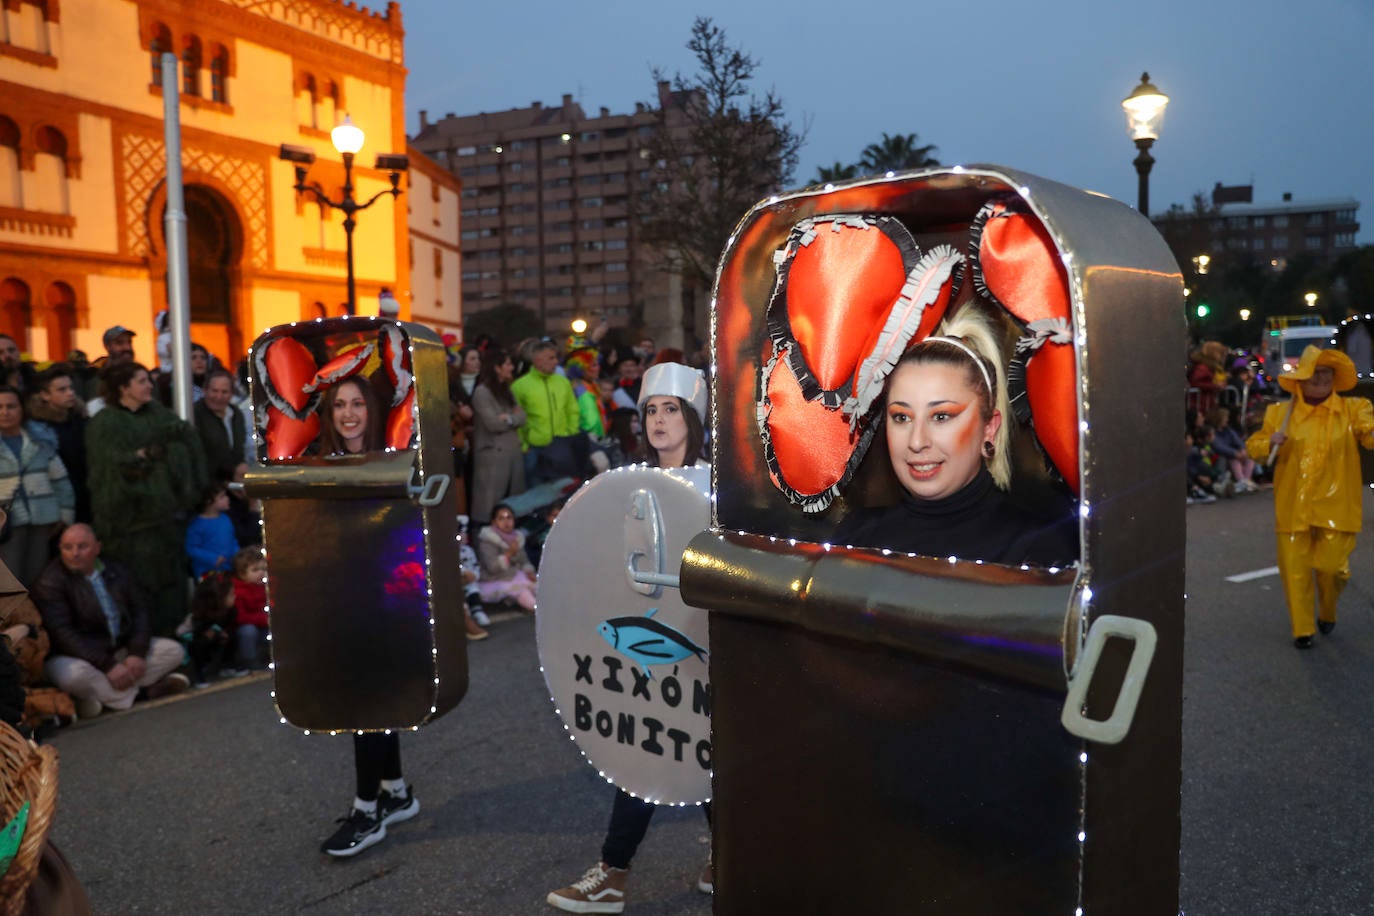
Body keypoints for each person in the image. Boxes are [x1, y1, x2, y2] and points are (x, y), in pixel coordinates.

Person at [547, 361, 713, 914]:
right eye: (651, 411)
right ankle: (614, 874)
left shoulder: (720, 485)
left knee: (710, 756)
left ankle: (725, 856)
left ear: (692, 417)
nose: (660, 420)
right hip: (646, 648)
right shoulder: (625, 487)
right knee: (644, 752)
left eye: (671, 409)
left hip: (705, 645)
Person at [834, 310, 1079, 567]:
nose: (917, 442)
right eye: (902, 417)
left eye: (941, 416)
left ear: (989, 428)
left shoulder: (1037, 551)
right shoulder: (855, 538)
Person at [314, 374, 421, 857]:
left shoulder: (394, 457)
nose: (349, 413)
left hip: (387, 595)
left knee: (367, 699)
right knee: (371, 695)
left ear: (372, 409)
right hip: (344, 594)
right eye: (339, 405)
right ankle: (395, 791)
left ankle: (367, 808)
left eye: (357, 403)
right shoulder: (316, 463)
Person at [1245, 346, 1374, 649]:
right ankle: (1302, 630)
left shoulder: (1354, 409)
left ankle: (1328, 609)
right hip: (1293, 506)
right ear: (1301, 377)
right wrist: (1268, 442)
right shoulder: (1280, 413)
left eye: (1326, 372)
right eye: (1314, 372)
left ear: (1334, 377)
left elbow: (1369, 433)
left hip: (1337, 504)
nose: (1320, 378)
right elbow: (1254, 447)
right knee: (1295, 569)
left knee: (1332, 568)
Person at [86, 361, 207, 636]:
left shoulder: (160, 415)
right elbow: (107, 469)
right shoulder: (105, 424)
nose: (149, 386)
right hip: (130, 527)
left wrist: (157, 457)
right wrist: (140, 458)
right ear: (123, 387)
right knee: (138, 589)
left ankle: (174, 644)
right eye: (141, 381)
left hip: (166, 520)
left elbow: (185, 441)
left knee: (171, 587)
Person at [32, 523, 189, 719]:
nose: (75, 553)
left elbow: (140, 611)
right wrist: (107, 666)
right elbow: (62, 634)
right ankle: (142, 694)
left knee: (173, 651)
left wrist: (137, 653)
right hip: (79, 658)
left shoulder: (116, 570)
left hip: (118, 651)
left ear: (97, 547)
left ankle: (100, 700)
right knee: (72, 676)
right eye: (67, 547)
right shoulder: (50, 582)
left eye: (82, 546)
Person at [0, 386, 75, 587]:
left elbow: (61, 482)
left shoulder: (41, 441)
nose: (5, 412)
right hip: (7, 525)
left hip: (43, 521)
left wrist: (65, 516)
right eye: (0, 407)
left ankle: (38, 618)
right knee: (10, 582)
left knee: (40, 579)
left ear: (22, 409)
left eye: (11, 406)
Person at [26, 363, 92, 523]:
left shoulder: (82, 420)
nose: (70, 393)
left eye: (71, 388)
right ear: (45, 395)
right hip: (58, 501)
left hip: (88, 496)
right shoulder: (38, 429)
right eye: (62, 390)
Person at [511, 340, 581, 483]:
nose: (556, 362)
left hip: (561, 445)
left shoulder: (563, 382)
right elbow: (516, 419)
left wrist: (570, 434)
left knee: (562, 491)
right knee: (536, 492)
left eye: (556, 357)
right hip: (534, 449)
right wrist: (524, 446)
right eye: (551, 358)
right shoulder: (520, 386)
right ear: (537, 360)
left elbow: (572, 410)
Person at [470, 349, 527, 524]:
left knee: (514, 502)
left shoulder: (508, 391)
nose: (512, 368)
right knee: (489, 504)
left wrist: (508, 418)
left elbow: (522, 417)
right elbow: (493, 423)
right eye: (508, 364)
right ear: (497, 368)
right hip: (492, 457)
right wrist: (512, 418)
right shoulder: (482, 392)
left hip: (512, 454)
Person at [181, 571, 239, 687]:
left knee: (231, 636)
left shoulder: (231, 611)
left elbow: (224, 624)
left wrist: (219, 631)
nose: (235, 596)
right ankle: (197, 675)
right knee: (199, 644)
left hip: (215, 638)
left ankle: (226, 666)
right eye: (231, 595)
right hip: (191, 641)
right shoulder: (199, 616)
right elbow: (188, 633)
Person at [476, 503, 537, 613]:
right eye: (501, 518)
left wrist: (528, 571)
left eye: (509, 517)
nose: (506, 522)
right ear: (494, 522)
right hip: (495, 580)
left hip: (516, 575)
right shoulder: (487, 541)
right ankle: (537, 609)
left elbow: (523, 560)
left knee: (538, 586)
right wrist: (509, 553)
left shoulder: (517, 537)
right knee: (523, 591)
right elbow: (492, 567)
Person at [184, 483, 238, 579]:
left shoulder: (225, 519)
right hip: (207, 571)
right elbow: (191, 548)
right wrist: (213, 558)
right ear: (208, 501)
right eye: (222, 497)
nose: (227, 498)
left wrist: (237, 554)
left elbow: (232, 539)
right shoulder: (197, 525)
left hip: (230, 568)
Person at [85, 325, 138, 417]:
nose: (127, 347)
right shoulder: (98, 377)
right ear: (108, 347)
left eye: (129, 342)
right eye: (120, 343)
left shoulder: (141, 375)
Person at [230, 546, 268, 670]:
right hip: (246, 626)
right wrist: (264, 619)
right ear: (242, 573)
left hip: (263, 625)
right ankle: (249, 660)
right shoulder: (238, 590)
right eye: (255, 570)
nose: (261, 573)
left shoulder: (266, 586)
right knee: (248, 631)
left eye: (263, 568)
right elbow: (240, 616)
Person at [1207, 406, 1257, 493]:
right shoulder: (1213, 432)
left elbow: (1238, 440)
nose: (1227, 419)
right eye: (1225, 417)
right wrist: (1234, 453)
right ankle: (1241, 481)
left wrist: (1242, 449)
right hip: (1225, 455)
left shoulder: (1228, 430)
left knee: (1249, 458)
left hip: (1236, 453)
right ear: (1219, 419)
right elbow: (1219, 446)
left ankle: (1246, 481)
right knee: (1235, 460)